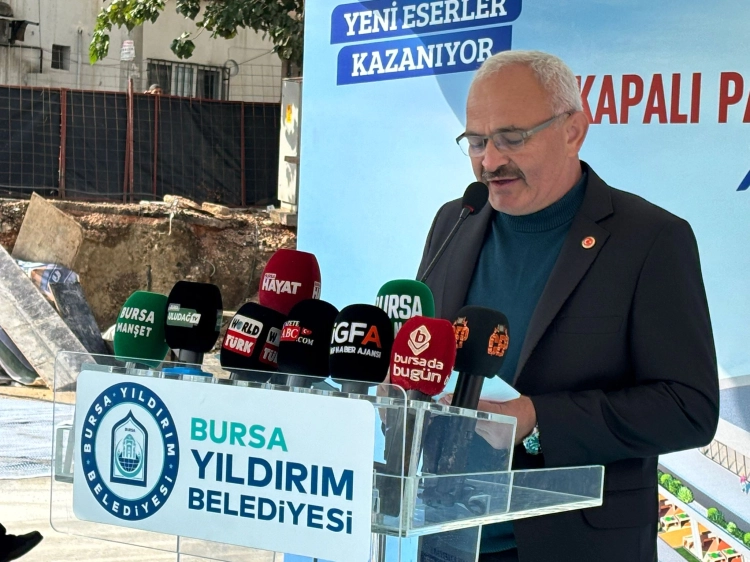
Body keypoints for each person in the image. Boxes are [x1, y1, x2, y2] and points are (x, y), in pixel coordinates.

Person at [418, 50, 719, 562]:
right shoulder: (455, 220)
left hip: (574, 544)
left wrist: (538, 420)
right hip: (445, 537)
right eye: (477, 141)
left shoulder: (649, 239)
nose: (489, 161)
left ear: (573, 130)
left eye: (512, 138)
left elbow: (689, 407)